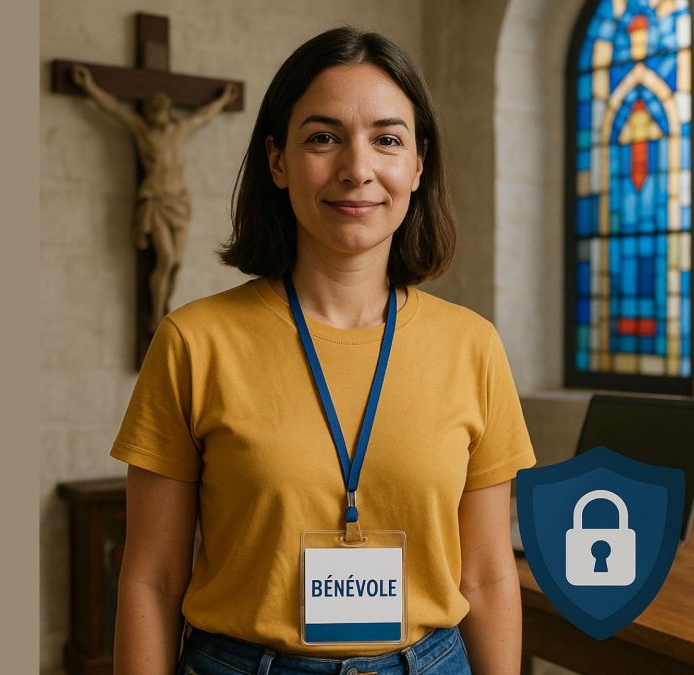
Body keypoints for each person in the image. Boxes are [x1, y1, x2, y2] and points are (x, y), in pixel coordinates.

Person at [110, 27, 536, 675]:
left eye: (387, 139)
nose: (357, 169)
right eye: (323, 137)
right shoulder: (193, 342)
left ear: (419, 163)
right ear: (278, 161)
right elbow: (152, 577)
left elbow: (485, 574)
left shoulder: (473, 346)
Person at [71, 64, 238, 330]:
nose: (157, 114)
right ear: (148, 112)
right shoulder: (142, 131)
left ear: (168, 111)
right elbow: (113, 109)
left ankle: (164, 307)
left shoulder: (179, 130)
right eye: (153, 110)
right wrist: (89, 87)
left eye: (161, 110)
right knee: (167, 259)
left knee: (177, 263)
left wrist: (222, 100)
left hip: (179, 203)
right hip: (156, 202)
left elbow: (203, 116)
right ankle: (157, 316)